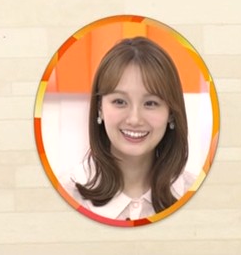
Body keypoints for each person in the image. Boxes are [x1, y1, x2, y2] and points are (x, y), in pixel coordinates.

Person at [63, 37, 199, 222]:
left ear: (171, 114)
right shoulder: (64, 194)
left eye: (150, 103)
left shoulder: (196, 196)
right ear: (100, 108)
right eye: (119, 101)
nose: (134, 119)